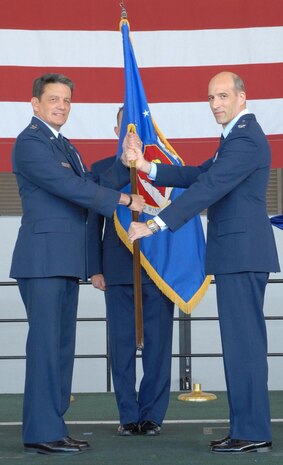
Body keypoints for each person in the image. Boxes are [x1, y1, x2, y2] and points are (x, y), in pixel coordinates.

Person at [124, 71, 280, 454]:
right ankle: (246, 427)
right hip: (235, 255)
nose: (216, 104)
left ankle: (252, 431)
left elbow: (210, 188)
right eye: (211, 98)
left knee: (243, 346)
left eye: (223, 96)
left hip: (242, 254)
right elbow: (197, 174)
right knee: (240, 345)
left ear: (242, 98)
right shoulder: (233, 139)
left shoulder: (245, 138)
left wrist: (156, 224)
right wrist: (147, 167)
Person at [10, 74, 144, 455]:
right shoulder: (30, 142)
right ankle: (40, 431)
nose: (61, 105)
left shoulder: (65, 145)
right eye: (53, 99)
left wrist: (124, 160)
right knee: (46, 348)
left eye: (67, 100)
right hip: (43, 261)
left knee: (61, 348)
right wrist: (122, 200)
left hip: (63, 262)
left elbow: (88, 181)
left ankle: (54, 425)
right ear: (35, 103)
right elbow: (71, 188)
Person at [87, 106, 175, 436]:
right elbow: (91, 221)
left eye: (138, 130)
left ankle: (152, 414)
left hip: (158, 268)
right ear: (116, 132)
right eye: (126, 129)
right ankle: (127, 414)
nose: (132, 136)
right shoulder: (101, 171)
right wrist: (94, 268)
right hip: (118, 268)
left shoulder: (165, 169)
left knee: (158, 344)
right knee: (121, 344)